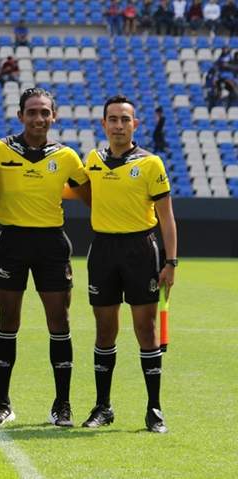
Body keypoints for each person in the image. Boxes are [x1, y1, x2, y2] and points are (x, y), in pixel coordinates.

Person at [0, 88, 90, 427]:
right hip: (11, 241)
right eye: (32, 112)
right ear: (20, 116)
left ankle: (63, 404)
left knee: (59, 322)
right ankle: (1, 403)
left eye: (45, 112)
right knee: (7, 322)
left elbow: (88, 193)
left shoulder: (67, 157)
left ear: (54, 116)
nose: (39, 118)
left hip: (52, 244)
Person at [81, 95, 177, 434]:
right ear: (103, 124)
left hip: (141, 250)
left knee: (145, 331)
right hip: (103, 250)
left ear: (135, 124)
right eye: (113, 119)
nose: (119, 125)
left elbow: (166, 218)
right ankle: (102, 407)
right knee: (105, 330)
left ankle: (154, 410)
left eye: (125, 119)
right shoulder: (91, 160)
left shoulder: (151, 163)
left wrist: (171, 262)